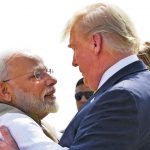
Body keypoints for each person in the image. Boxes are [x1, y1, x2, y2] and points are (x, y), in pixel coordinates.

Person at [1, 2, 150, 150]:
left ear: (95, 43)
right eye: (37, 75)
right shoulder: (139, 85)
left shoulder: (121, 97)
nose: (74, 62)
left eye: (75, 48)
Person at [0, 50, 60, 149]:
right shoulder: (15, 123)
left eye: (48, 71)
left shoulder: (34, 120)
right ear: (4, 91)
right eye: (37, 75)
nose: (52, 80)